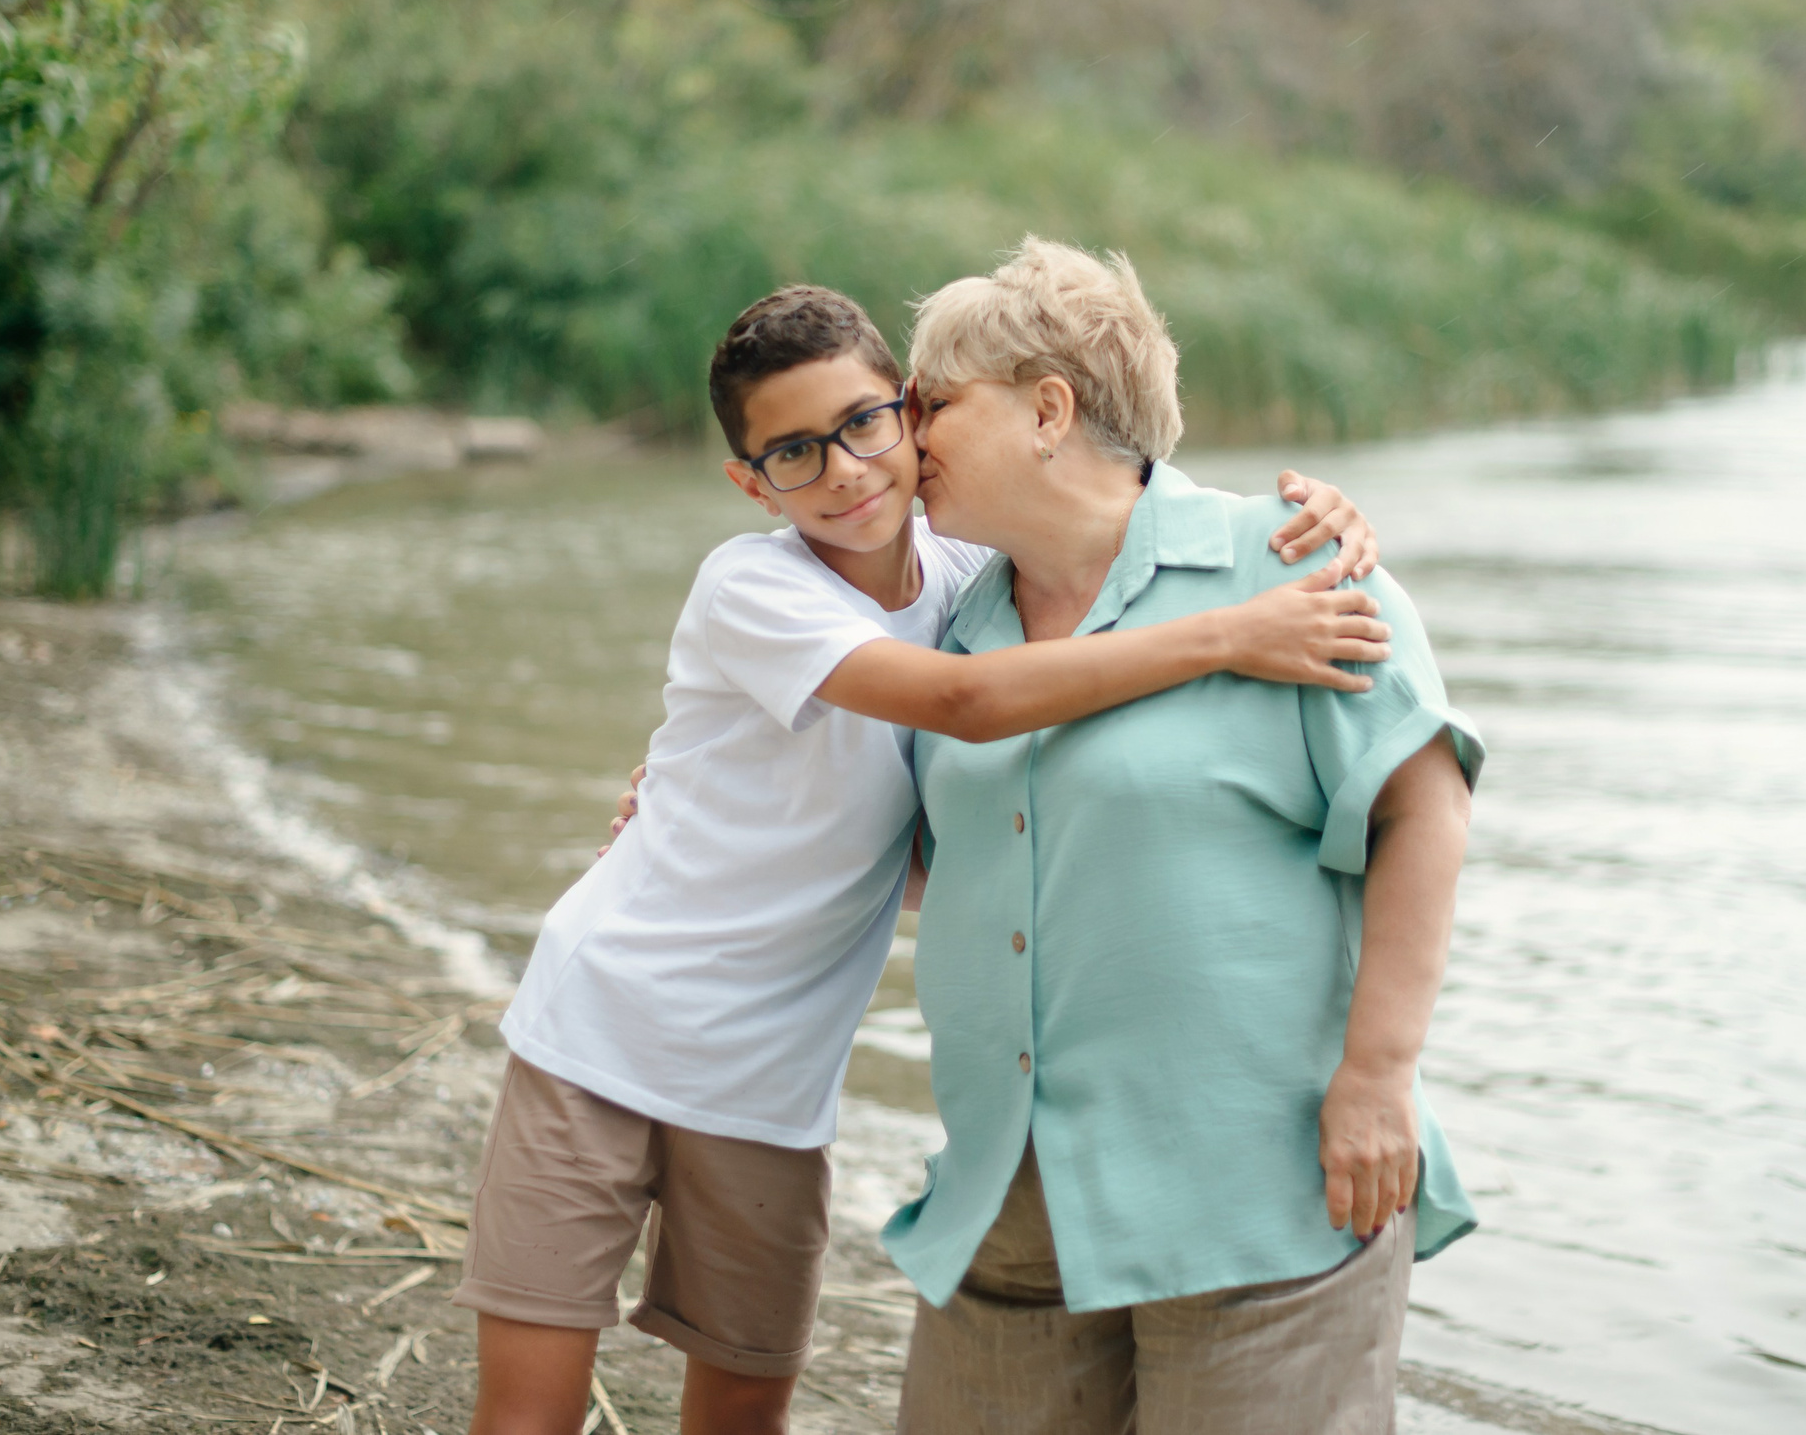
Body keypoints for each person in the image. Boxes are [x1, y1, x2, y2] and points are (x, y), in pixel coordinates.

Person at [461, 284, 1398, 1435]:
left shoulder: (973, 590)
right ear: (749, 482)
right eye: (793, 453)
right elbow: (961, 706)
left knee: (744, 1408)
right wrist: (1230, 632)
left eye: (867, 421)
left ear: (908, 413)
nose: (847, 469)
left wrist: (1297, 513)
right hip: (600, 1029)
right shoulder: (752, 583)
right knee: (526, 1415)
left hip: (771, 1081)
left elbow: (978, 797)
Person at [885, 238, 1484, 1434]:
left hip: (1257, 1180)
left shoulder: (1292, 558)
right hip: (1010, 1190)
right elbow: (923, 857)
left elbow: (1424, 806)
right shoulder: (951, 619)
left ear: (1047, 408)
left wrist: (1377, 1076)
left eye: (931, 404)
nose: (904, 436)